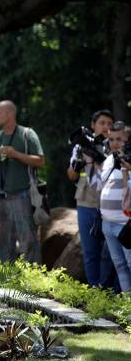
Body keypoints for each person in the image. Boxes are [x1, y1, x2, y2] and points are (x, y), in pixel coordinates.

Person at [0, 100, 45, 263]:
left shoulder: (27, 134)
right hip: (0, 196)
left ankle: (32, 281)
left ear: (10, 114)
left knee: (28, 239)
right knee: (1, 241)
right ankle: (5, 280)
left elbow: (40, 161)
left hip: (23, 195)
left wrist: (15, 154)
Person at [66, 109, 116, 288]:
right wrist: (78, 164)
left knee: (110, 252)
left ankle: (110, 290)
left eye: (109, 124)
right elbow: (71, 175)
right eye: (102, 123)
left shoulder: (115, 146)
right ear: (93, 125)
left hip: (110, 205)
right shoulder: (80, 145)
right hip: (86, 201)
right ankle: (95, 290)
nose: (106, 127)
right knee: (90, 251)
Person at [88, 121, 131, 293]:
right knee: (119, 265)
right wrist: (90, 162)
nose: (114, 143)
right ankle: (128, 307)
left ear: (128, 140)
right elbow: (96, 186)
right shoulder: (108, 160)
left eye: (119, 139)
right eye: (111, 139)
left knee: (130, 263)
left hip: (125, 223)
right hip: (107, 222)